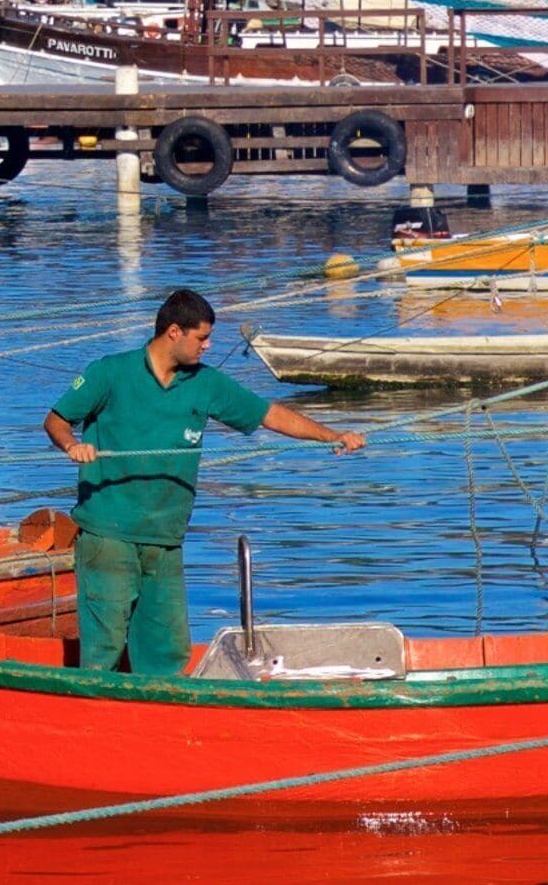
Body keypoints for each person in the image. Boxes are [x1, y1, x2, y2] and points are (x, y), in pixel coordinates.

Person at [43, 288, 367, 675]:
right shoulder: (110, 372)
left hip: (165, 539)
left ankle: (162, 721)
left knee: (166, 652)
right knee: (105, 646)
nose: (208, 346)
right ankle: (92, 719)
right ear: (174, 333)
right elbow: (56, 419)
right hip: (108, 535)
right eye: (201, 337)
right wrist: (71, 445)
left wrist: (332, 435)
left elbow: (269, 414)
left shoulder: (205, 383)